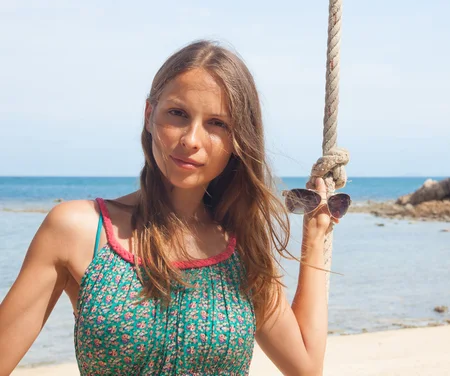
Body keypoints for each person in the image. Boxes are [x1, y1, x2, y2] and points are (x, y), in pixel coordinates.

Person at [0, 40, 351, 375]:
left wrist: (315, 237)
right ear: (150, 115)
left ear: (237, 139)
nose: (191, 140)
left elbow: (305, 367)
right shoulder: (78, 230)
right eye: (178, 114)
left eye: (217, 123)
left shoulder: (241, 246)